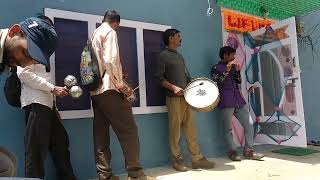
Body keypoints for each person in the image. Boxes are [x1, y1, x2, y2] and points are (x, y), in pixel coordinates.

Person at [0, 17, 77, 179]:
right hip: (36, 103)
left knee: (60, 145)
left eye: (31, 59)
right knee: (34, 154)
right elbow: (24, 75)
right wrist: (52, 88)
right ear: (15, 32)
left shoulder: (29, 52)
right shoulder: (21, 52)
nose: (23, 63)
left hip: (47, 104)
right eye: (27, 53)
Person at [90, 10, 155, 180]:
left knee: (100, 135)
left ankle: (105, 175)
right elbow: (111, 60)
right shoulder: (109, 32)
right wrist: (120, 83)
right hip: (111, 89)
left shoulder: (94, 34)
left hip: (96, 91)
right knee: (129, 131)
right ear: (116, 23)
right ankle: (135, 174)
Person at [155, 29, 215, 172]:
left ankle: (197, 159)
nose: (180, 39)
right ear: (171, 38)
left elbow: (187, 78)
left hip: (186, 99)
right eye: (178, 36)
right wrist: (174, 87)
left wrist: (198, 85)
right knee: (175, 131)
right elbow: (159, 78)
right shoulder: (163, 56)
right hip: (173, 99)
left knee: (191, 130)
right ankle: (177, 160)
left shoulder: (180, 56)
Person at [211, 46, 264, 161]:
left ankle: (248, 151)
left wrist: (238, 71)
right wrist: (227, 71)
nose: (234, 57)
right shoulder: (215, 68)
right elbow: (218, 84)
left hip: (238, 99)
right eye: (232, 55)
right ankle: (232, 152)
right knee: (228, 129)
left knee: (249, 124)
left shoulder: (234, 67)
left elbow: (238, 82)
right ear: (225, 55)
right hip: (226, 100)